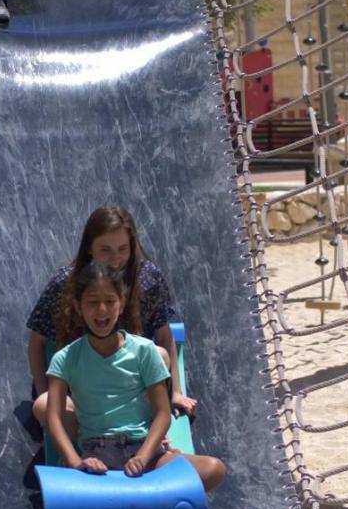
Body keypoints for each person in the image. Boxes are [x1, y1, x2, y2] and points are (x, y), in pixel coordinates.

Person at [45, 263, 225, 491]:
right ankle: (151, 498)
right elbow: (54, 419)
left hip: (145, 452)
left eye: (110, 302)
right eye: (92, 302)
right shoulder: (66, 358)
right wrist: (77, 462)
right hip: (95, 454)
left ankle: (143, 497)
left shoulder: (144, 350)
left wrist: (142, 456)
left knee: (213, 468)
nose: (102, 310)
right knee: (57, 488)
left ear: (121, 305)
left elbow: (162, 413)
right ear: (78, 307)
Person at [27, 206, 197, 439]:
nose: (115, 259)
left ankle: (140, 434)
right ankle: (90, 444)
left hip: (128, 391)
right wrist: (45, 391)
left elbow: (164, 336)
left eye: (123, 249)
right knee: (43, 405)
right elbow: (37, 342)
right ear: (90, 248)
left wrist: (175, 392)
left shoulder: (147, 278)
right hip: (83, 390)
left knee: (160, 355)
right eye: (105, 250)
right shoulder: (66, 284)